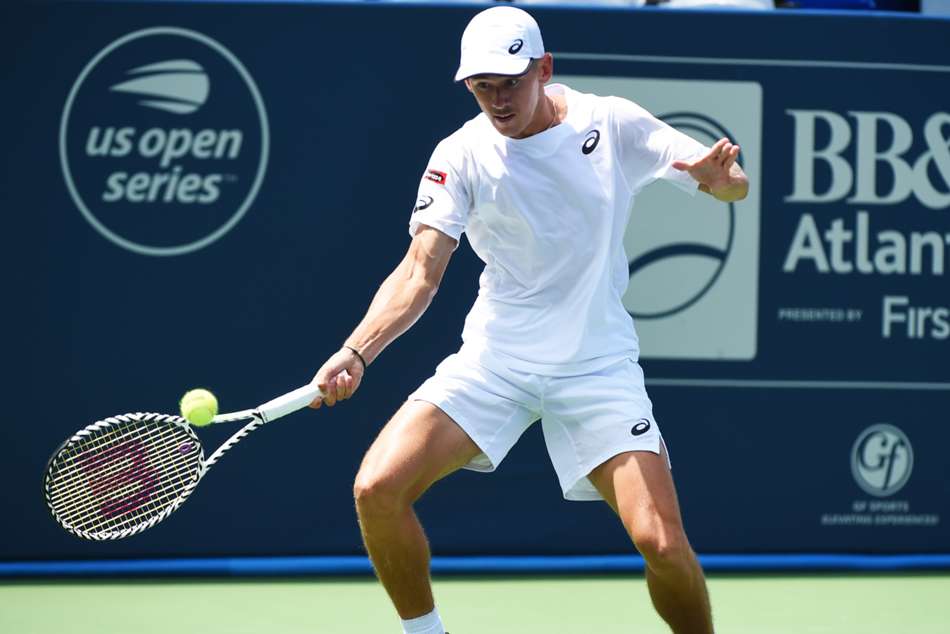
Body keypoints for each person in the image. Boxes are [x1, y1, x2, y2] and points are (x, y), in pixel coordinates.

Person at [310, 6, 748, 634]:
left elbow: (731, 184)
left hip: (597, 367)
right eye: (480, 87)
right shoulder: (458, 155)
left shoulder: (613, 123)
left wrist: (721, 179)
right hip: (496, 361)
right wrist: (356, 350)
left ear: (544, 68)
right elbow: (419, 271)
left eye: (509, 82)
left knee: (662, 543)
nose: (497, 99)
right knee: (376, 490)